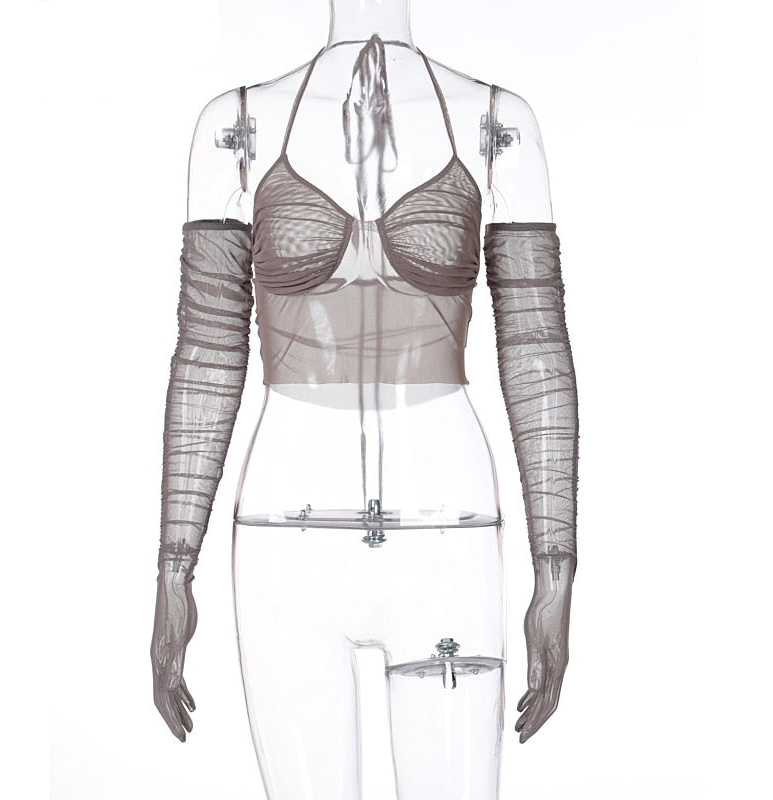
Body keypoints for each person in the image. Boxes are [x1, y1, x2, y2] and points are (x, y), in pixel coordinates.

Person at [151, 1, 578, 798]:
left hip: (446, 533)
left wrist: (557, 565)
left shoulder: (497, 122)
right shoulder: (234, 126)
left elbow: (536, 350)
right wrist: (175, 566)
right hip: (285, 544)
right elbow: (208, 350)